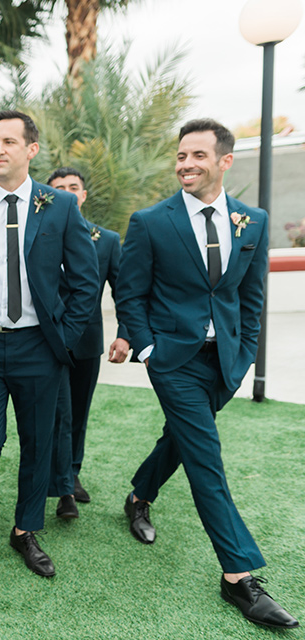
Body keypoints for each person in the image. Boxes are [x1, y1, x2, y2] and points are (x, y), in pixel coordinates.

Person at [116, 119, 298, 629]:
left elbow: (251, 295)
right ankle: (237, 576)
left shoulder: (253, 221)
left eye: (197, 155)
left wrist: (245, 354)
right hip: (172, 360)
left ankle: (139, 495)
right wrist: (148, 347)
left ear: (224, 161)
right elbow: (130, 293)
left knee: (182, 437)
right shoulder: (151, 221)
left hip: (225, 362)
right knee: (206, 457)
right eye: (180, 156)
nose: (186, 164)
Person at [0, 110, 98, 577]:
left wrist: (65, 338)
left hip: (39, 347)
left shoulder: (60, 206)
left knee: (39, 443)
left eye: (9, 142)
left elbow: (86, 282)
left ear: (31, 150)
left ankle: (24, 530)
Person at [45, 167, 129, 518]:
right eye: (58, 188)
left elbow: (124, 290)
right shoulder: (37, 235)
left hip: (87, 341)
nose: (66, 192)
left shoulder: (106, 240)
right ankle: (62, 487)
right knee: (55, 414)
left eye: (72, 187)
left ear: (82, 195)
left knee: (78, 413)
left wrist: (125, 333)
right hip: (45, 342)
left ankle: (71, 473)